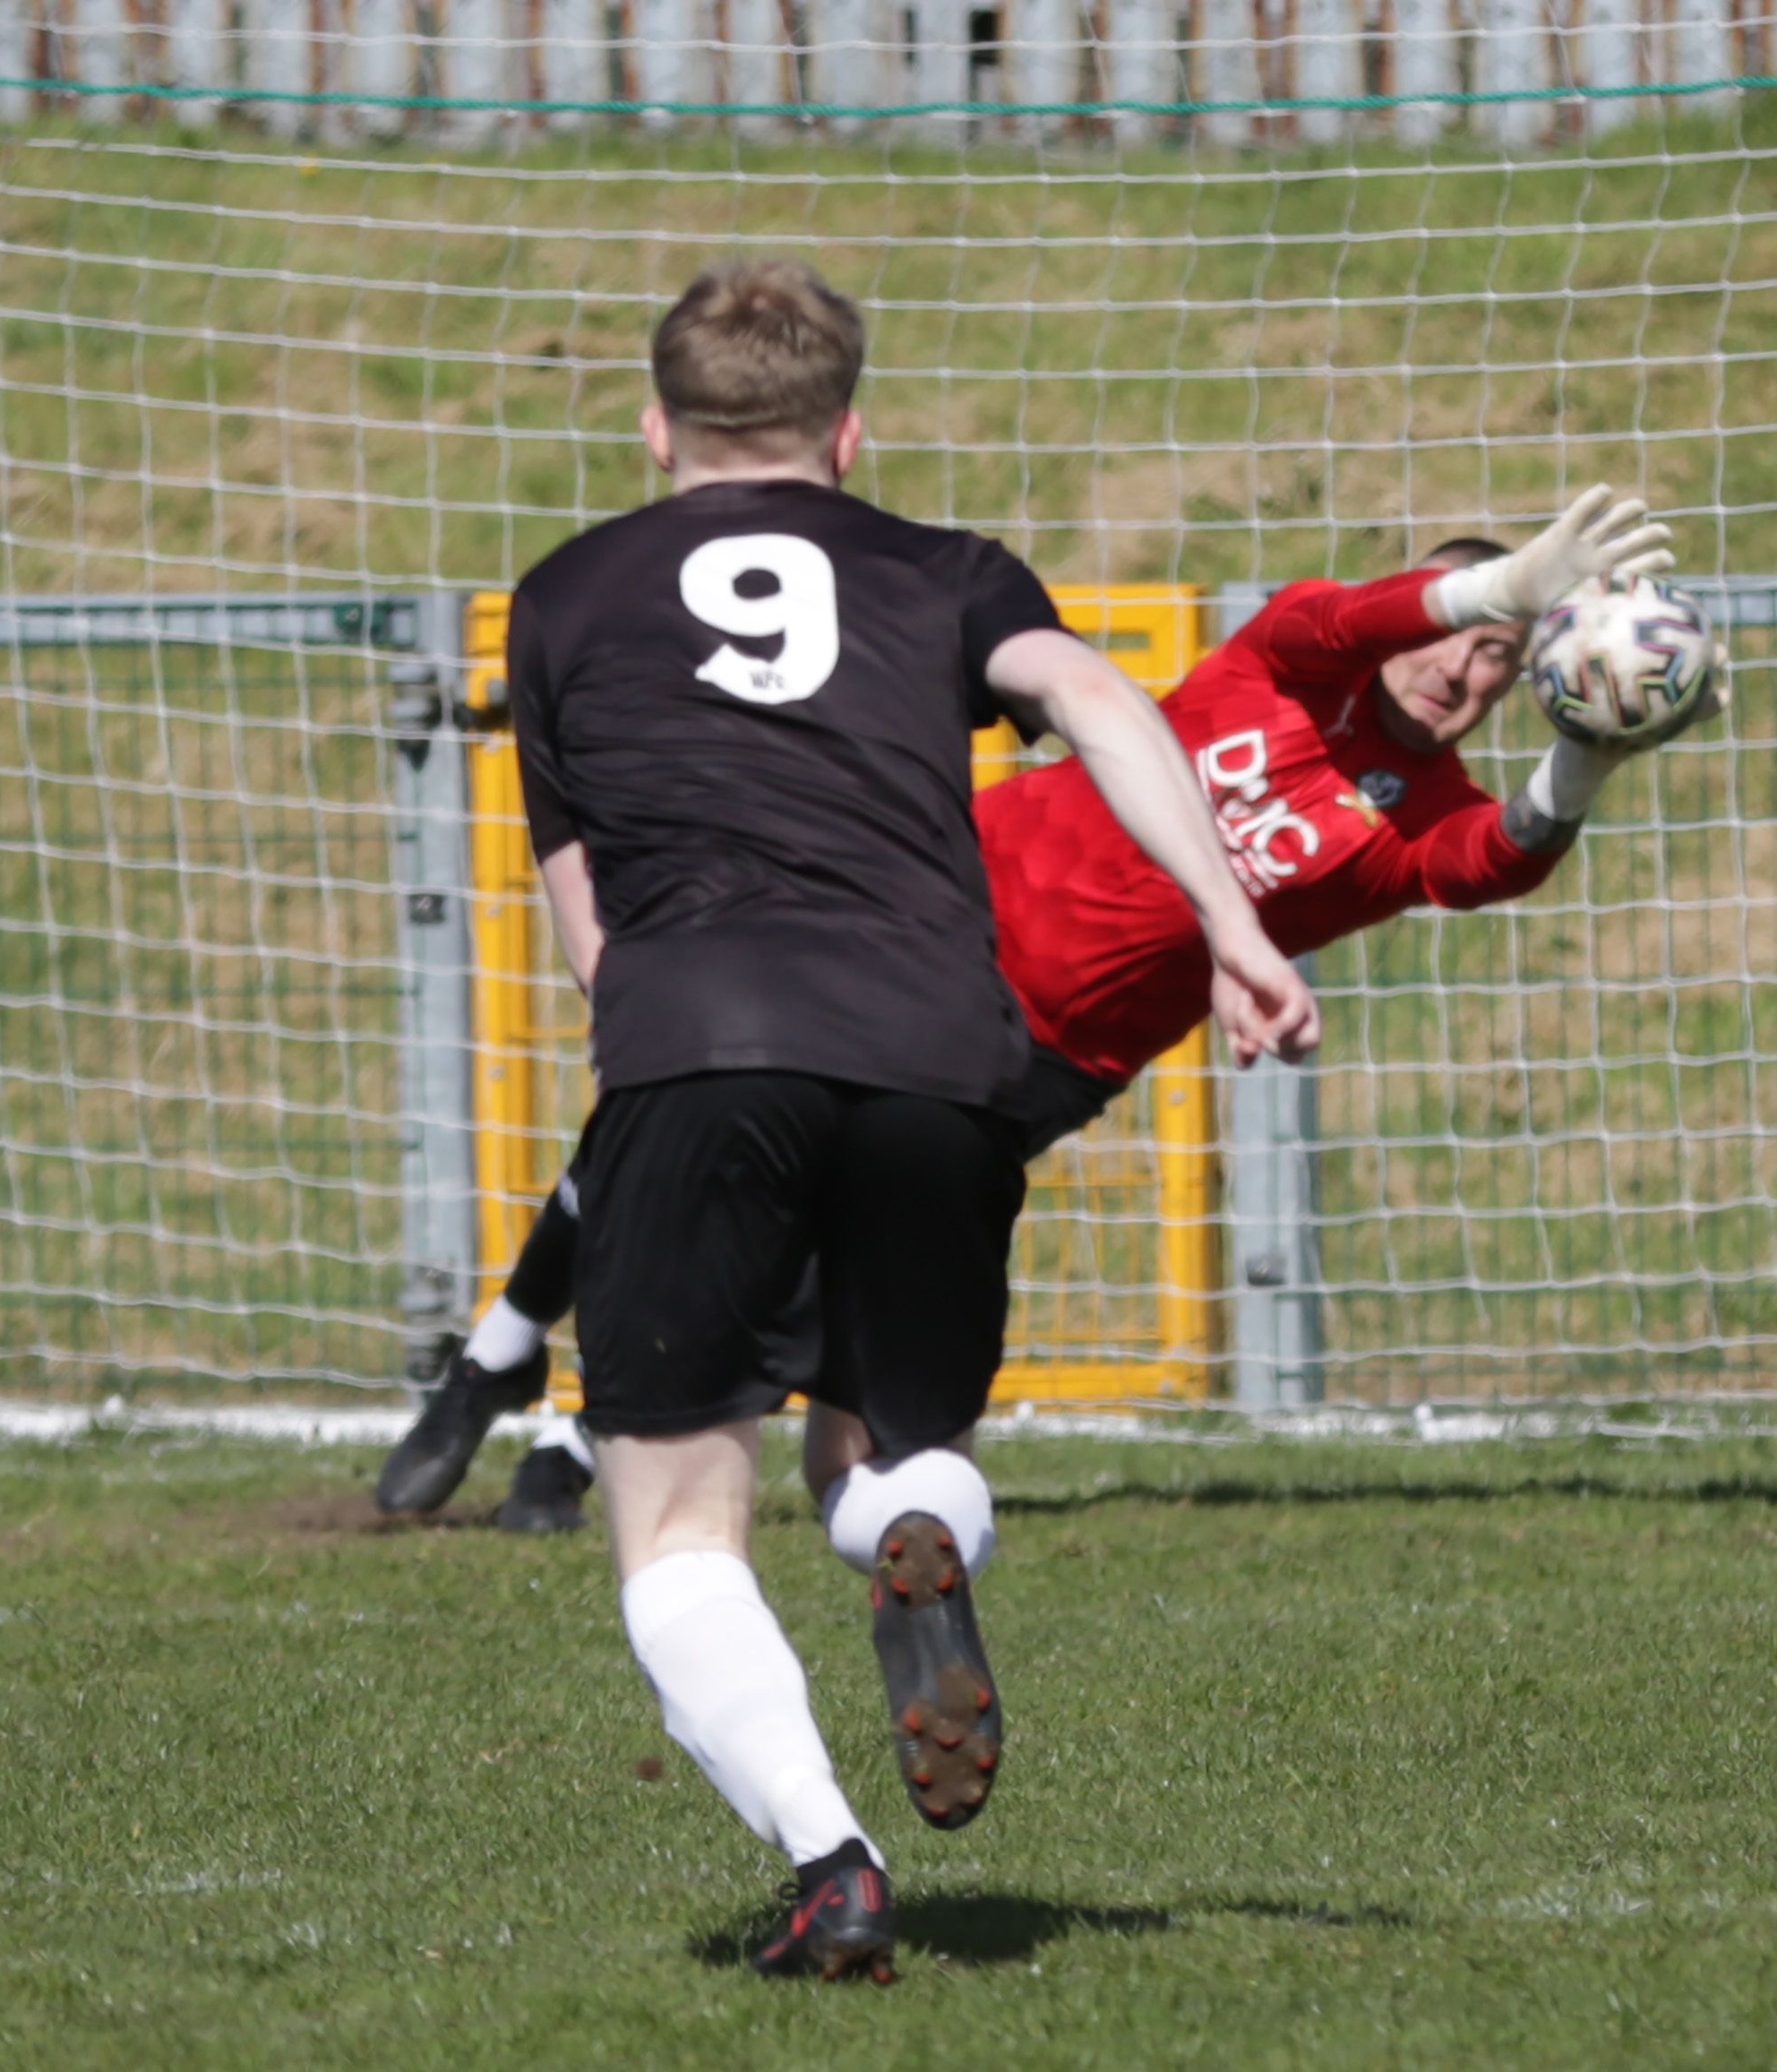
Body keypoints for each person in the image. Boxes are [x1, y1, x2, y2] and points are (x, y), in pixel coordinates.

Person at [501, 255, 1323, 1984]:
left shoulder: (565, 598)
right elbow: (1099, 697)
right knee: (882, 1438)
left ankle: (833, 1865)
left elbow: (584, 908)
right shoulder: (945, 572)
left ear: (658, 425)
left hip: (703, 1036)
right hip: (941, 1048)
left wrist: (662, 1042)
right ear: (848, 434)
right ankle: (909, 1533)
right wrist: (1236, 928)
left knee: (673, 1522)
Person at [387, 515, 1722, 1539]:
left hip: (1043, 1056)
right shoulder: (1285, 657)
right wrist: (1498, 583)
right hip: (925, 916)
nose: (1469, 670)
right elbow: (1350, 610)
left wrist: (1588, 756)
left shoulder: (1412, 818)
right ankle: (505, 1371)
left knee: (808, 1240)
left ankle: (565, 1411)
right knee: (664, 1124)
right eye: (1460, 637)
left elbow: (1498, 856)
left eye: (1502, 660)